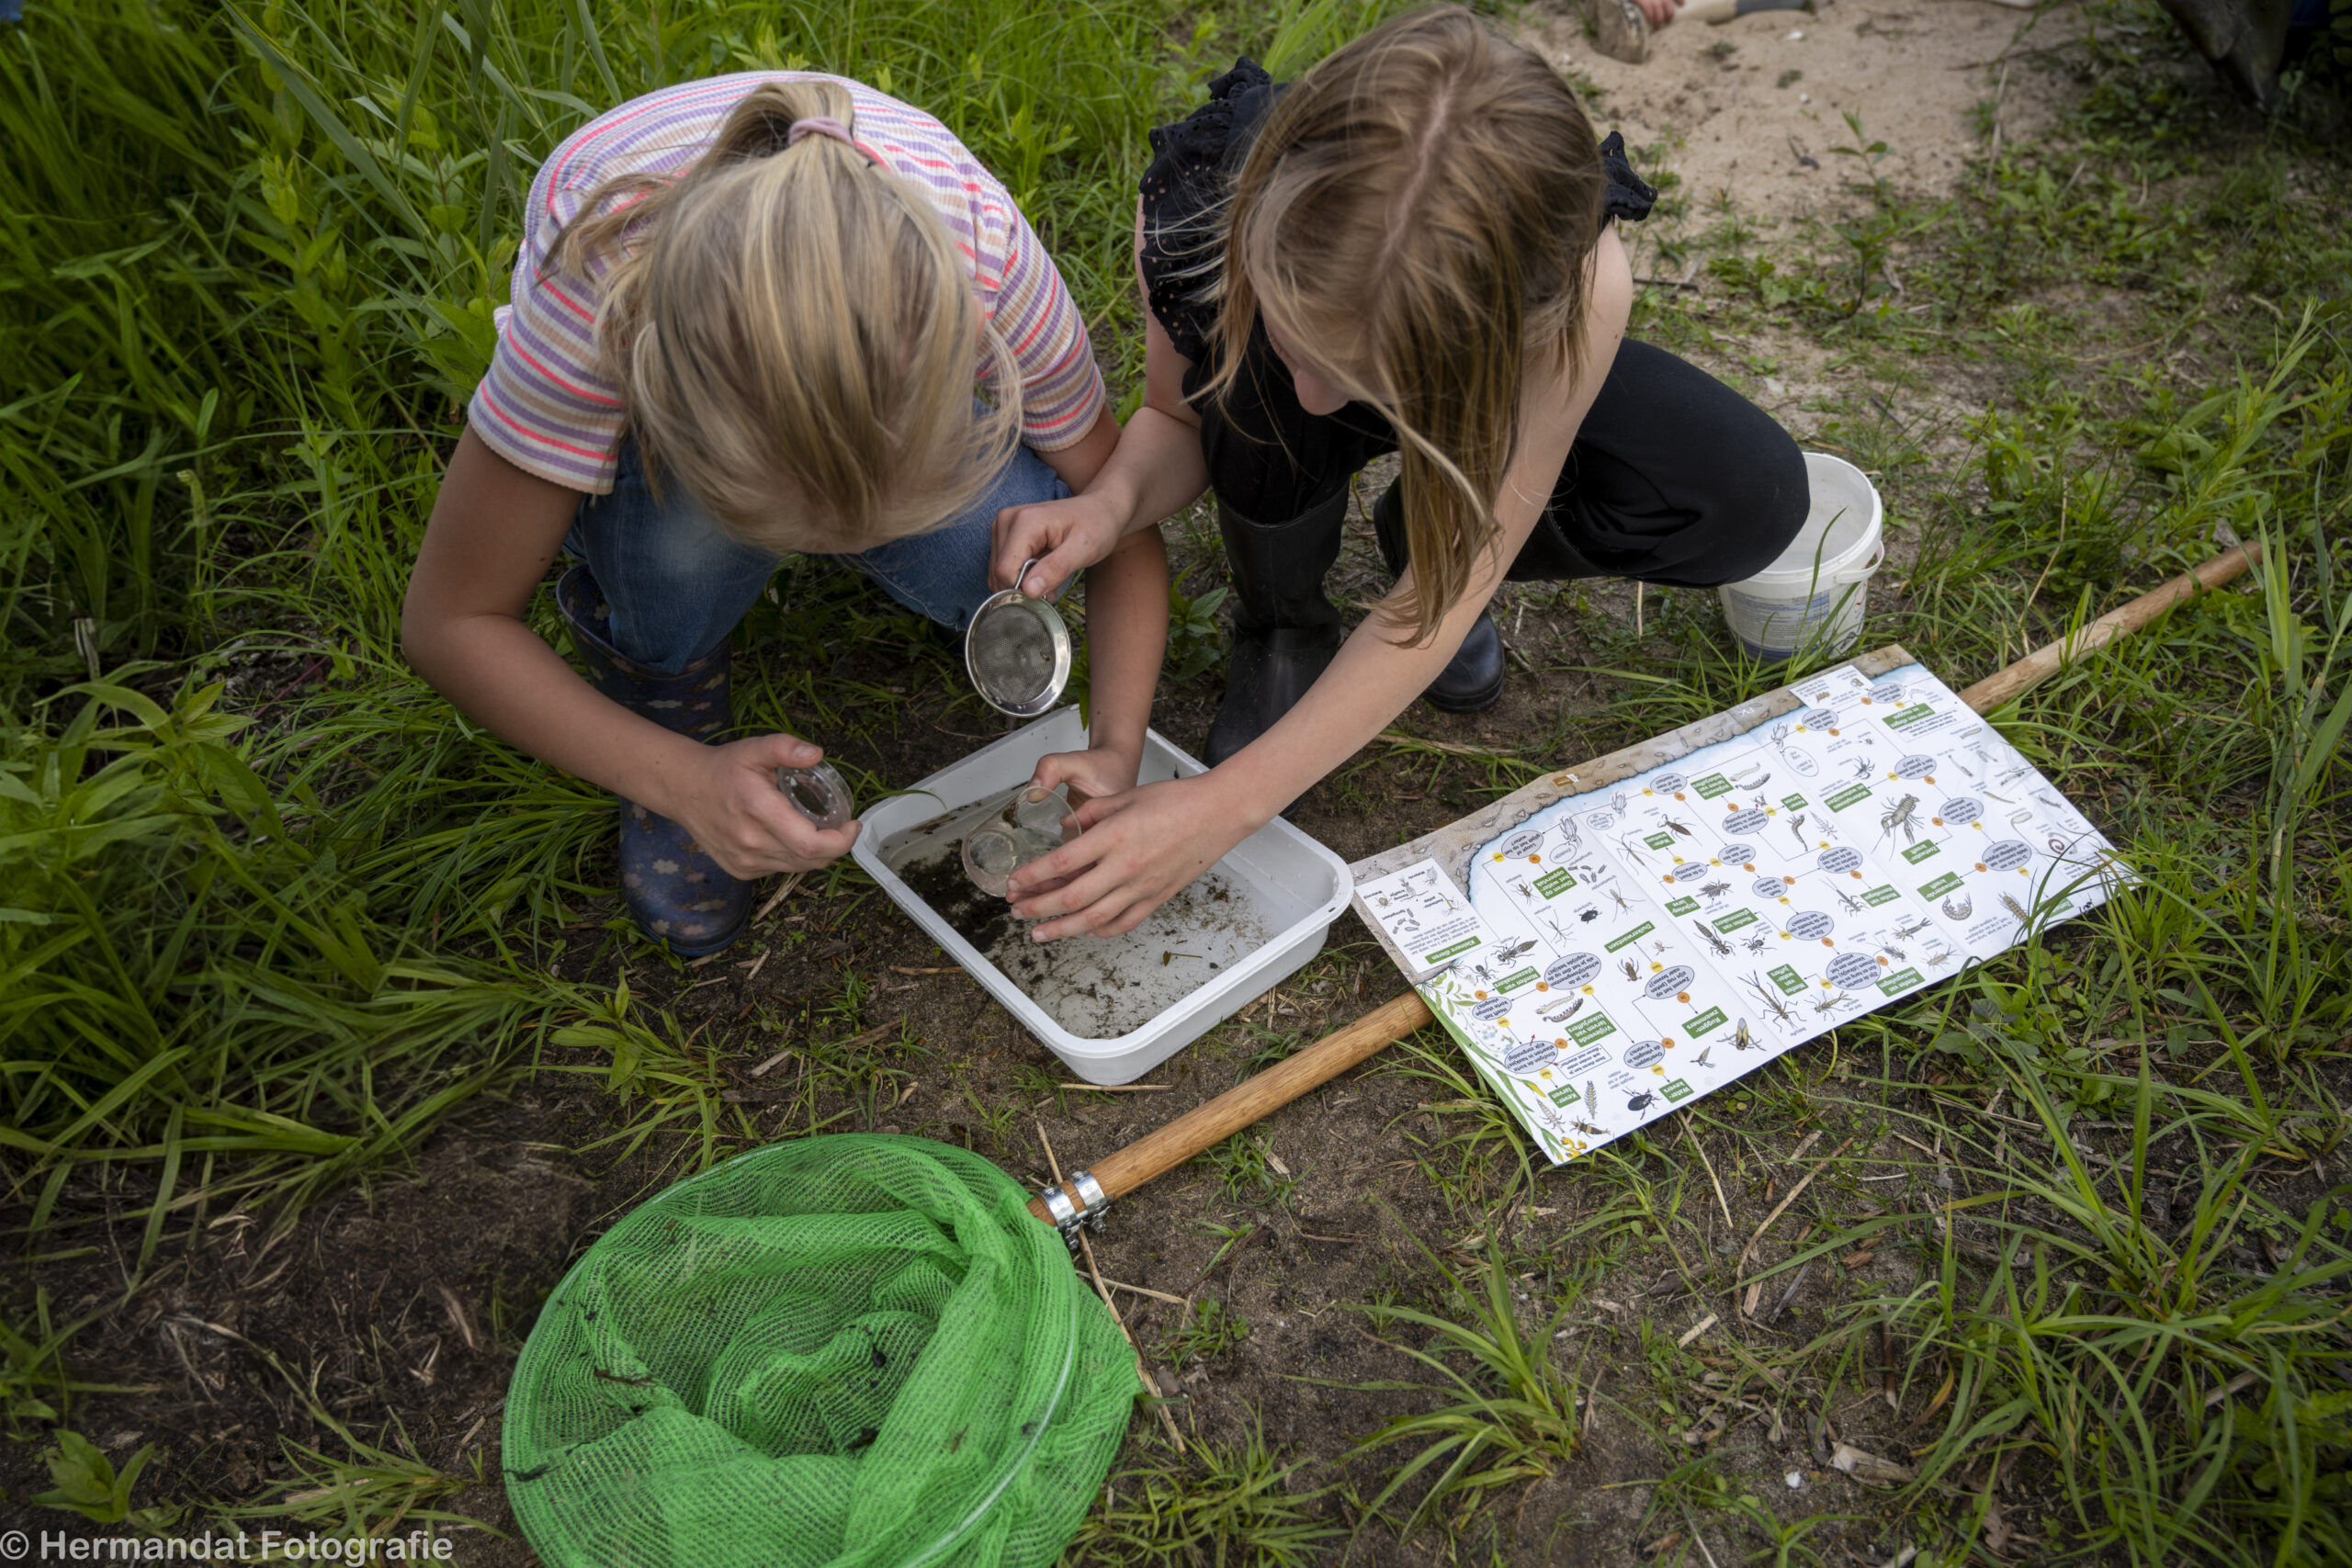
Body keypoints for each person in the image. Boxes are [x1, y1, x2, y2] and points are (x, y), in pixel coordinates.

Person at [989, 6, 1808, 942]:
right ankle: (1284, 623)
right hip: (1323, 337)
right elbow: (1178, 416)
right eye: (1302, 349)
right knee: (1257, 393)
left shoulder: (1574, 288)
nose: (1319, 396)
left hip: (1489, 391)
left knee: (1749, 491)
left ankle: (1421, 528)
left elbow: (1464, 571)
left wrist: (1223, 805)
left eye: (1358, 379)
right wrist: (1113, 502)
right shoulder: (1202, 204)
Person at [401, 73, 1168, 956]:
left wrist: (1116, 744)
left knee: (1015, 541)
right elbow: (451, 620)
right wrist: (682, 780)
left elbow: (1122, 512)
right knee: (677, 546)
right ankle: (666, 674)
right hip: (652, 343)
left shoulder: (983, 256)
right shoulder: (593, 299)